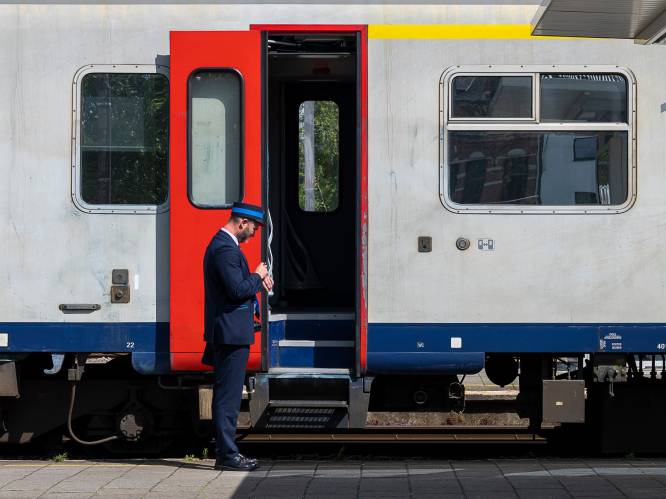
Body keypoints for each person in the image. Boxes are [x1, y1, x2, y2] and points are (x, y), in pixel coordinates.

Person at [202, 202, 273, 471]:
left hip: (232, 332)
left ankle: (227, 453)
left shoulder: (226, 248)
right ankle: (227, 456)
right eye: (254, 228)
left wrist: (257, 280)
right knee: (228, 398)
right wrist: (257, 275)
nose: (254, 233)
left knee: (228, 396)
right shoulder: (224, 249)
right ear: (242, 222)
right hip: (230, 335)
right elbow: (235, 290)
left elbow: (239, 287)